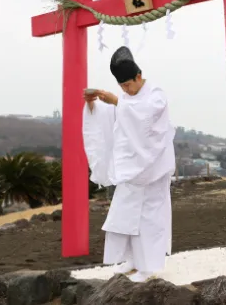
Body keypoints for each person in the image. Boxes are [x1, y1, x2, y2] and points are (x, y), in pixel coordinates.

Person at [82, 46, 175, 283]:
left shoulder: (156, 94)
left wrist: (118, 103)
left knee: (149, 220)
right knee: (123, 217)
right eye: (121, 87)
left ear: (138, 76)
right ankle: (132, 260)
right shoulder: (125, 98)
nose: (125, 90)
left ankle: (149, 266)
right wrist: (94, 105)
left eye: (128, 85)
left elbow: (145, 119)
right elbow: (116, 119)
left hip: (153, 169)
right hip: (131, 172)